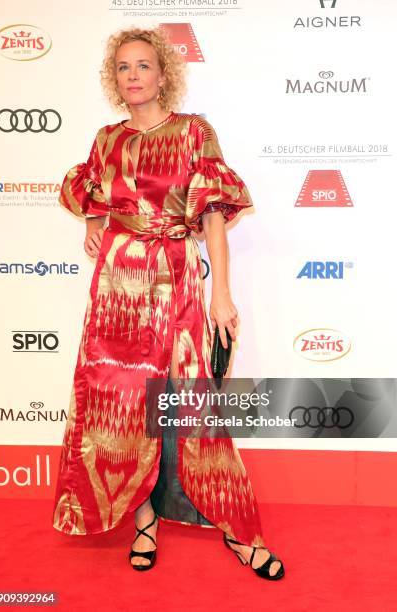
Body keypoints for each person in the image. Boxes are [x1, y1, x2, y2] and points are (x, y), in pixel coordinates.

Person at [52, 26, 284, 581]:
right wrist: (95, 221)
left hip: (175, 276)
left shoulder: (192, 132)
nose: (133, 76)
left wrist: (221, 294)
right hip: (116, 287)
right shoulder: (106, 139)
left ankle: (236, 529)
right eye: (124, 68)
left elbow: (212, 215)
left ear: (163, 75)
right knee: (122, 405)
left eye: (143, 66)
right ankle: (145, 521)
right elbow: (92, 188)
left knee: (191, 405)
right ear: (116, 79)